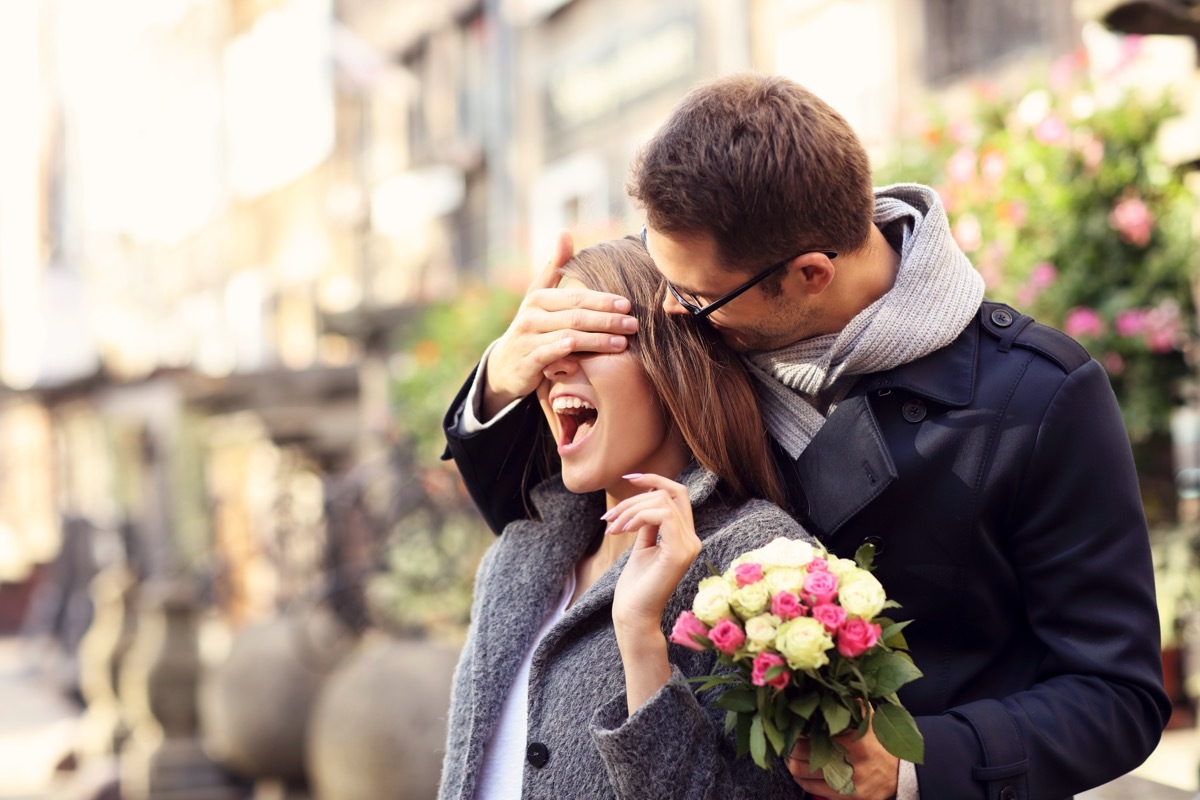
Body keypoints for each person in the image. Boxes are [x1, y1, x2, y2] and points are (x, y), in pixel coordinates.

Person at [443, 73, 1172, 800]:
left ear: (810, 274)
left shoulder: (1036, 396)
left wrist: (912, 767)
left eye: (692, 302)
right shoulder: (718, 282)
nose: (669, 308)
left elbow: (1116, 692)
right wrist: (502, 379)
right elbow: (552, 522)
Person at [437, 236, 813, 800]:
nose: (555, 363)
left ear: (672, 366)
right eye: (548, 341)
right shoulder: (517, 557)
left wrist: (640, 638)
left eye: (587, 338)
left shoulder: (761, 561)